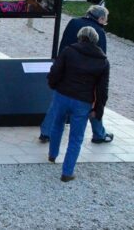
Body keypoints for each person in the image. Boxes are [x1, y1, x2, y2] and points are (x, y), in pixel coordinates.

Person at [39, 5, 113, 144]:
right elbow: (101, 58)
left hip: (67, 74)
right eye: (105, 20)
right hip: (86, 81)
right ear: (101, 18)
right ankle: (98, 134)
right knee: (93, 106)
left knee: (56, 105)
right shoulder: (99, 32)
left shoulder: (73, 22)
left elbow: (62, 47)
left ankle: (45, 132)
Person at [46, 27, 109, 182]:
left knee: (57, 125)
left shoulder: (69, 51)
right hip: (83, 101)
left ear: (80, 37)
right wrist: (97, 110)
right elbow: (102, 90)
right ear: (96, 41)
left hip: (62, 94)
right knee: (76, 137)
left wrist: (53, 85)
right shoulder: (102, 61)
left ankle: (52, 155)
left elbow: (55, 71)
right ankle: (67, 172)